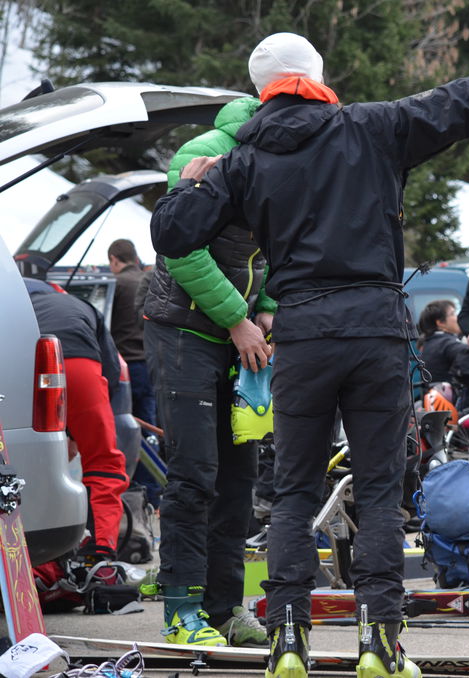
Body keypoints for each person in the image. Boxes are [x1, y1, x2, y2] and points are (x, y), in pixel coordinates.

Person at [149, 30, 469, 678]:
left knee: (293, 491)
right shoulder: (374, 128)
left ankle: (286, 639)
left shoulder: (243, 159)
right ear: (318, 76)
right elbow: (463, 101)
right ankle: (380, 642)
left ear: (260, 89)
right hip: (377, 329)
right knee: (379, 491)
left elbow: (172, 232)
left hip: (302, 335)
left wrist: (187, 186)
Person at [144, 93, 274, 648]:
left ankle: (226, 609)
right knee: (195, 474)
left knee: (239, 481)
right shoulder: (203, 152)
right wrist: (240, 318)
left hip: (240, 339)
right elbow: (182, 250)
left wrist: (270, 305)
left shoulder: (284, 160)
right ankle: (181, 610)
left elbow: (275, 253)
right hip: (184, 333)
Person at [23, 279, 128, 562]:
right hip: (82, 365)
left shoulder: (15, 306)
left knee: (25, 467)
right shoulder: (80, 305)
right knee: (104, 463)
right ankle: (100, 554)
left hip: (30, 367)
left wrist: (63, 432)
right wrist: (81, 429)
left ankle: (35, 560)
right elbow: (112, 369)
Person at [107, 239, 157, 427]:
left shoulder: (116, 284)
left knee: (124, 423)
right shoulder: (151, 282)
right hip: (151, 362)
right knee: (149, 421)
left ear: (114, 259)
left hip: (126, 365)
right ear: (135, 258)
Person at [417, 299, 469, 386]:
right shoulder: (445, 343)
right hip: (450, 397)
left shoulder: (430, 341)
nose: (458, 317)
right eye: (453, 314)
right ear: (440, 322)